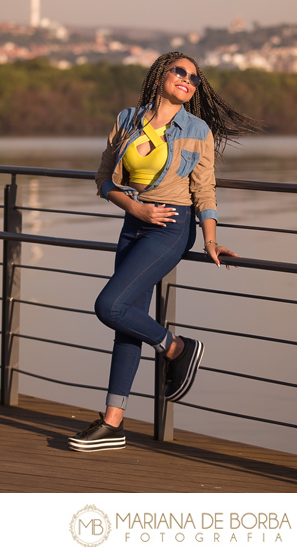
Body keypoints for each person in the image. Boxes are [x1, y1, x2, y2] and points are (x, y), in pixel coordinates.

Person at [69, 52, 261, 452]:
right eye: (180, 72)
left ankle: (177, 348)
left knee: (109, 305)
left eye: (194, 78)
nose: (187, 80)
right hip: (133, 223)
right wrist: (134, 207)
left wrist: (209, 240)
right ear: (160, 75)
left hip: (172, 229)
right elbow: (103, 178)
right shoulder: (127, 120)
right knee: (126, 321)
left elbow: (204, 190)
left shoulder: (197, 131)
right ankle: (113, 423)